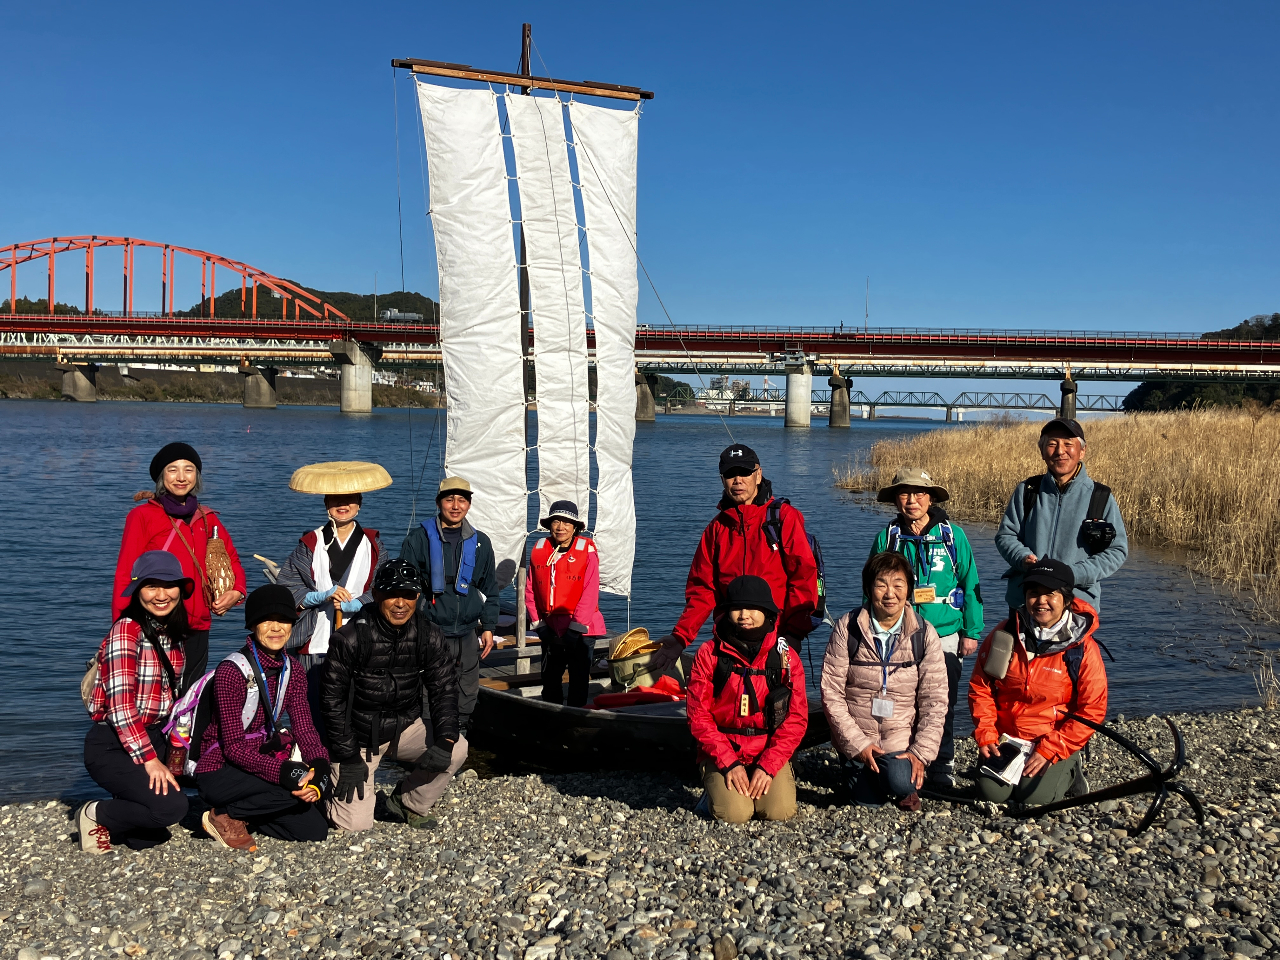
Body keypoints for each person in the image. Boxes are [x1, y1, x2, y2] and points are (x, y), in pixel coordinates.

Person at [321, 559, 466, 831]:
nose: (401, 603)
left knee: (457, 747)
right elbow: (332, 702)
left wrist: (445, 739)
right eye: (391, 594)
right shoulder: (349, 638)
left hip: (404, 726)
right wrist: (347, 755)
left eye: (408, 594)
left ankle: (408, 801)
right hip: (359, 736)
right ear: (376, 595)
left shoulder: (429, 634)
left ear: (418, 597)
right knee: (354, 826)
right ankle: (325, 794)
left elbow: (444, 689)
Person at [655, 443, 819, 674]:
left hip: (776, 638)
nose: (738, 480)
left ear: (758, 474)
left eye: (744, 472)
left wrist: (793, 633)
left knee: (777, 705)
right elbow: (703, 590)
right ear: (722, 479)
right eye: (731, 474)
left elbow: (804, 578)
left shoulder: (783, 519)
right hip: (729, 640)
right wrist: (681, 636)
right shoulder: (716, 528)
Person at [868, 468, 984, 789]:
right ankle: (903, 762)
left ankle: (941, 765)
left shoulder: (953, 536)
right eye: (904, 494)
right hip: (899, 636)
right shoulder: (887, 538)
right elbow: (871, 588)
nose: (912, 500)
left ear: (930, 498)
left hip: (946, 634)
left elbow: (970, 583)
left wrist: (972, 632)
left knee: (941, 704)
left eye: (919, 493)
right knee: (901, 703)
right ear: (895, 500)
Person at [195, 584, 331, 851]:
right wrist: (285, 772)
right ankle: (221, 813)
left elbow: (304, 727)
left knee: (315, 830)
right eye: (267, 620)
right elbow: (233, 747)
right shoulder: (231, 672)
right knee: (290, 791)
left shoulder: (293, 671)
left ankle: (243, 815)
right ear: (253, 625)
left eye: (283, 620)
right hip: (220, 768)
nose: (276, 628)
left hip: (262, 761)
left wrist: (319, 767)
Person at [78, 551, 191, 853]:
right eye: (151, 586)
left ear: (180, 588)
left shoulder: (173, 635)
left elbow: (170, 697)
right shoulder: (126, 630)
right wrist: (150, 761)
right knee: (171, 809)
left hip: (154, 735)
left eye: (169, 585)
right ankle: (94, 813)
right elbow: (121, 707)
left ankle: (127, 806)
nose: (161, 595)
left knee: (147, 835)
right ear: (137, 590)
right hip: (112, 743)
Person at [968, 558, 1106, 806]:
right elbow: (981, 688)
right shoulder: (1004, 635)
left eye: (1049, 594)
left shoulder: (1082, 648)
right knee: (990, 794)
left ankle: (1072, 768)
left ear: (1065, 598)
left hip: (1051, 738)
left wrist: (1050, 749)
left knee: (1034, 798)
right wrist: (987, 735)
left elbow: (1092, 709)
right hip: (1007, 740)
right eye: (1033, 593)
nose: (1041, 601)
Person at [113, 442, 246, 691]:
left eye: (189, 469)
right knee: (155, 696)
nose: (181, 477)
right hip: (157, 623)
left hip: (198, 625)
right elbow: (125, 575)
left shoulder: (208, 518)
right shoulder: (142, 517)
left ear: (197, 476)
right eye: (173, 470)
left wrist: (237, 591)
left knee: (189, 698)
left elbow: (232, 560)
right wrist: (121, 628)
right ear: (162, 476)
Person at [821, 551, 947, 811]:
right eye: (881, 584)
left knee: (901, 781)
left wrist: (919, 753)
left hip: (900, 740)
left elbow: (935, 700)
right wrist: (859, 745)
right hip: (858, 737)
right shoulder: (848, 627)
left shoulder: (924, 634)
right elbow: (831, 693)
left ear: (909, 590)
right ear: (868, 589)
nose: (890, 593)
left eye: (898, 585)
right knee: (866, 805)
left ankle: (898, 781)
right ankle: (861, 769)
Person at [686, 575, 808, 823]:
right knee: (735, 814)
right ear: (726, 612)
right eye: (736, 608)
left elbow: (796, 719)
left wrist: (768, 766)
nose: (744, 615)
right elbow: (698, 717)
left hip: (768, 751)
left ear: (767, 612)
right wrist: (729, 763)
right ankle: (711, 793)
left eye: (753, 608)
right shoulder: (708, 654)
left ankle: (762, 782)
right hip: (723, 751)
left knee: (778, 812)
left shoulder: (786, 658)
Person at [995, 418, 1128, 615]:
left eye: (1068, 444)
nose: (1060, 451)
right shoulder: (1027, 491)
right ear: (1042, 451)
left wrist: (1073, 574)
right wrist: (1022, 559)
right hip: (1027, 603)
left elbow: (1116, 551)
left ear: (1082, 451)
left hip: (1077, 604)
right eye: (1052, 444)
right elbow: (1006, 536)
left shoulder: (1100, 497)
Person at [399, 477, 499, 733]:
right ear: (438, 502)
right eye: (449, 499)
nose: (455, 506)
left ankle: (458, 743)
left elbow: (490, 589)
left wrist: (488, 626)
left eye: (462, 500)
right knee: (428, 689)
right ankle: (427, 746)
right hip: (430, 629)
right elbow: (403, 590)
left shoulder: (481, 542)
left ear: (469, 504)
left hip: (467, 631)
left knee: (466, 691)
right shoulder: (418, 539)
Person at [278, 491, 387, 677]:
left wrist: (359, 603)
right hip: (315, 641)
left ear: (359, 503)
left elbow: (383, 588)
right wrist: (321, 596)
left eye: (350, 499)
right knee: (311, 701)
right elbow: (286, 587)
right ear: (326, 503)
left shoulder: (373, 544)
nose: (342, 504)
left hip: (360, 637)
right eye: (335, 499)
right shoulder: (311, 542)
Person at [524, 500, 606, 707]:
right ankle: (550, 721)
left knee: (579, 681)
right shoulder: (540, 549)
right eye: (556, 521)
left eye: (567, 522)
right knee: (550, 680)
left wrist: (574, 630)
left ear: (575, 526)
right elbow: (530, 589)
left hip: (581, 630)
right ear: (549, 524)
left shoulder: (586, 551)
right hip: (550, 629)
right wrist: (539, 625)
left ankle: (575, 720)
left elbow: (590, 592)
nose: (561, 527)